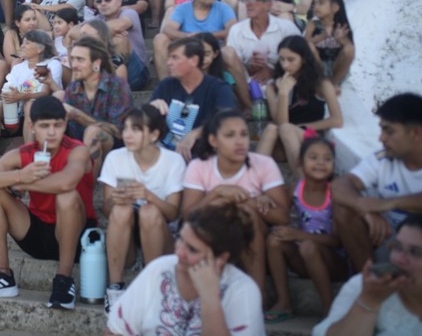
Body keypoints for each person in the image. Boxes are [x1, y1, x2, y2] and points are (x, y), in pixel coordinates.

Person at [0, 96, 96, 310]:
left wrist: (26, 183)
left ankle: (64, 280)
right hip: (37, 233)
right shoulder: (24, 153)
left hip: (76, 236)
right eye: (45, 126)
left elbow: (67, 182)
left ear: (65, 125)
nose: (52, 132)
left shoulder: (77, 150)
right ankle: (2, 274)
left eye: (58, 125)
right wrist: (19, 177)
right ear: (33, 127)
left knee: (67, 195)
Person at [105, 202, 265, 335]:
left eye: (192, 249)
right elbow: (115, 331)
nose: (179, 252)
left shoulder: (242, 291)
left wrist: (209, 297)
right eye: (180, 239)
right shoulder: (160, 269)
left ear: (221, 258)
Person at [332, 93, 422, 273]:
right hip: (390, 240)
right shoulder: (382, 159)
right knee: (344, 208)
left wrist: (389, 203)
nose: (381, 138)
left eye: (389, 131)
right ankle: (368, 279)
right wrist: (363, 207)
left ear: (416, 133)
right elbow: (340, 185)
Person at [182, 109, 290, 295]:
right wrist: (217, 193)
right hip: (213, 234)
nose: (240, 141)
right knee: (219, 209)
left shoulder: (264, 164)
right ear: (213, 141)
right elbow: (187, 216)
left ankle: (257, 295)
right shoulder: (199, 166)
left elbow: (283, 217)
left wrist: (249, 200)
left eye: (244, 134)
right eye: (230, 135)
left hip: (255, 235)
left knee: (244, 211)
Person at [99, 106, 186, 314]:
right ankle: (115, 288)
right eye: (126, 128)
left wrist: (148, 196)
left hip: (161, 235)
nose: (127, 134)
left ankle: (154, 287)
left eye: (136, 129)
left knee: (149, 211)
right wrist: (114, 200)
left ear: (154, 134)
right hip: (126, 236)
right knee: (120, 210)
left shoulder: (173, 161)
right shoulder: (115, 158)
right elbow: (105, 210)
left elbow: (174, 213)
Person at [312, 213, 422, 335]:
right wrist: (368, 301)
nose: (400, 259)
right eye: (397, 247)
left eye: (415, 252)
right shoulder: (363, 286)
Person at [265, 137, 348, 323]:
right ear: (300, 163)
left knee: (308, 246)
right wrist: (263, 199)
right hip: (305, 260)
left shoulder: (334, 192)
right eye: (314, 157)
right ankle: (284, 301)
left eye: (327, 159)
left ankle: (328, 309)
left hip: (335, 263)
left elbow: (337, 241)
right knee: (274, 240)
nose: (320, 163)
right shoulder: (296, 189)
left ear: (334, 165)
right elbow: (280, 214)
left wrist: (298, 235)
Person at [43, 36, 133, 177]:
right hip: (79, 148)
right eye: (72, 59)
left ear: (96, 63)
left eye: (80, 60)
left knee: (93, 132)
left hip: (114, 149)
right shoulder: (73, 88)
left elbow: (119, 133)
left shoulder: (117, 87)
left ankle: (87, 185)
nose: (74, 65)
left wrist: (78, 115)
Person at [257, 36, 343, 175]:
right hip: (283, 143)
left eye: (291, 60)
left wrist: (302, 127)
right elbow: (280, 123)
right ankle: (252, 181)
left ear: (303, 59)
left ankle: (303, 187)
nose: (285, 65)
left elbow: (337, 120)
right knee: (272, 128)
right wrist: (284, 93)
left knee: (287, 129)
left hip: (308, 139)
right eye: (282, 59)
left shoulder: (321, 84)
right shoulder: (273, 86)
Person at [149, 37, 237, 161]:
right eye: (169, 57)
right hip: (164, 154)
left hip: (202, 155)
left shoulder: (218, 88)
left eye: (175, 57)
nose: (168, 62)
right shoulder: (166, 85)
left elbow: (228, 120)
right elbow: (144, 121)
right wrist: (151, 107)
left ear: (194, 60)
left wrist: (196, 133)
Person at [0, 30, 63, 156]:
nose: (22, 46)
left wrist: (23, 95)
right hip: (17, 114)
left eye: (27, 43)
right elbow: (10, 89)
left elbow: (45, 92)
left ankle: (29, 152)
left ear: (40, 48)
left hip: (43, 112)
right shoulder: (18, 67)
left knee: (29, 104)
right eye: (23, 43)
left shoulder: (52, 64)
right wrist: (10, 95)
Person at [153, 0, 237, 81]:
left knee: (229, 52)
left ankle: (246, 97)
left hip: (214, 52)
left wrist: (204, 37)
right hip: (187, 49)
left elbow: (234, 30)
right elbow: (167, 29)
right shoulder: (183, 8)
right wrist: (188, 36)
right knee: (160, 38)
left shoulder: (223, 8)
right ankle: (166, 87)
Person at [225, 0, 302, 85]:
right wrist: (251, 67)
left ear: (268, 5)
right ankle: (248, 102)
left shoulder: (286, 27)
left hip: (283, 83)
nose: (248, 3)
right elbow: (235, 69)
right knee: (227, 53)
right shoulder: (236, 30)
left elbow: (301, 58)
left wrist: (273, 71)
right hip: (247, 86)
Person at [93, 0, 150, 91]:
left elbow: (120, 25)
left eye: (107, 0)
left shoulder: (129, 12)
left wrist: (93, 32)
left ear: (119, 1)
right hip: (105, 71)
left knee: (118, 40)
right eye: (99, 1)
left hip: (136, 73)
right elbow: (75, 32)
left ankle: (117, 92)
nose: (103, 4)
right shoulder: (97, 19)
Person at [305, 0, 355, 85]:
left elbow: (349, 50)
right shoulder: (312, 25)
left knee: (348, 49)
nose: (316, 7)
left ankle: (334, 84)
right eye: (314, 4)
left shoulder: (341, 26)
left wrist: (340, 39)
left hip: (336, 66)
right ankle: (323, 83)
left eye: (321, 3)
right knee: (309, 46)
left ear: (335, 7)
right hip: (318, 66)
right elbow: (304, 43)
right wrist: (322, 36)